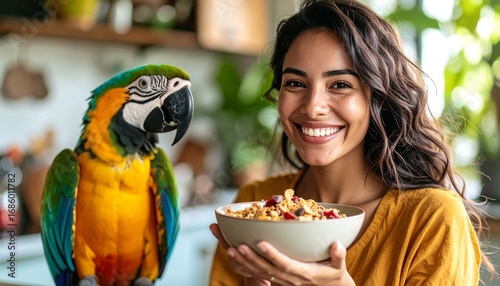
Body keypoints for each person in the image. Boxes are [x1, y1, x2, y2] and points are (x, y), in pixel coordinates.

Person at [209, 0, 496, 285]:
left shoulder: (431, 218)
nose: (312, 107)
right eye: (295, 83)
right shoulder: (251, 207)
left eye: (340, 85)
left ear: (378, 98)